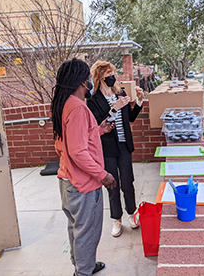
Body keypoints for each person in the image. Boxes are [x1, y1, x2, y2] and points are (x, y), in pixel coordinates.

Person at [51, 58, 116, 276]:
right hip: (83, 185)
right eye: (88, 77)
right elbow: (78, 152)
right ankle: (83, 271)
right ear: (82, 81)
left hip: (68, 181)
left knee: (76, 229)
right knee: (87, 232)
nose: (91, 80)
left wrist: (97, 131)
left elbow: (71, 141)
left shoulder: (65, 103)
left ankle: (82, 265)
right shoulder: (78, 108)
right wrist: (103, 174)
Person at [87, 60, 144, 237]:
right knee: (112, 184)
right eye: (108, 75)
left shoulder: (121, 93)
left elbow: (130, 119)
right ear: (100, 78)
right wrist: (114, 109)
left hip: (124, 145)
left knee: (128, 182)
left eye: (113, 74)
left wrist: (139, 102)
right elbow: (98, 125)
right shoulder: (93, 101)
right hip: (107, 148)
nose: (113, 78)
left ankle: (132, 212)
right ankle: (116, 219)